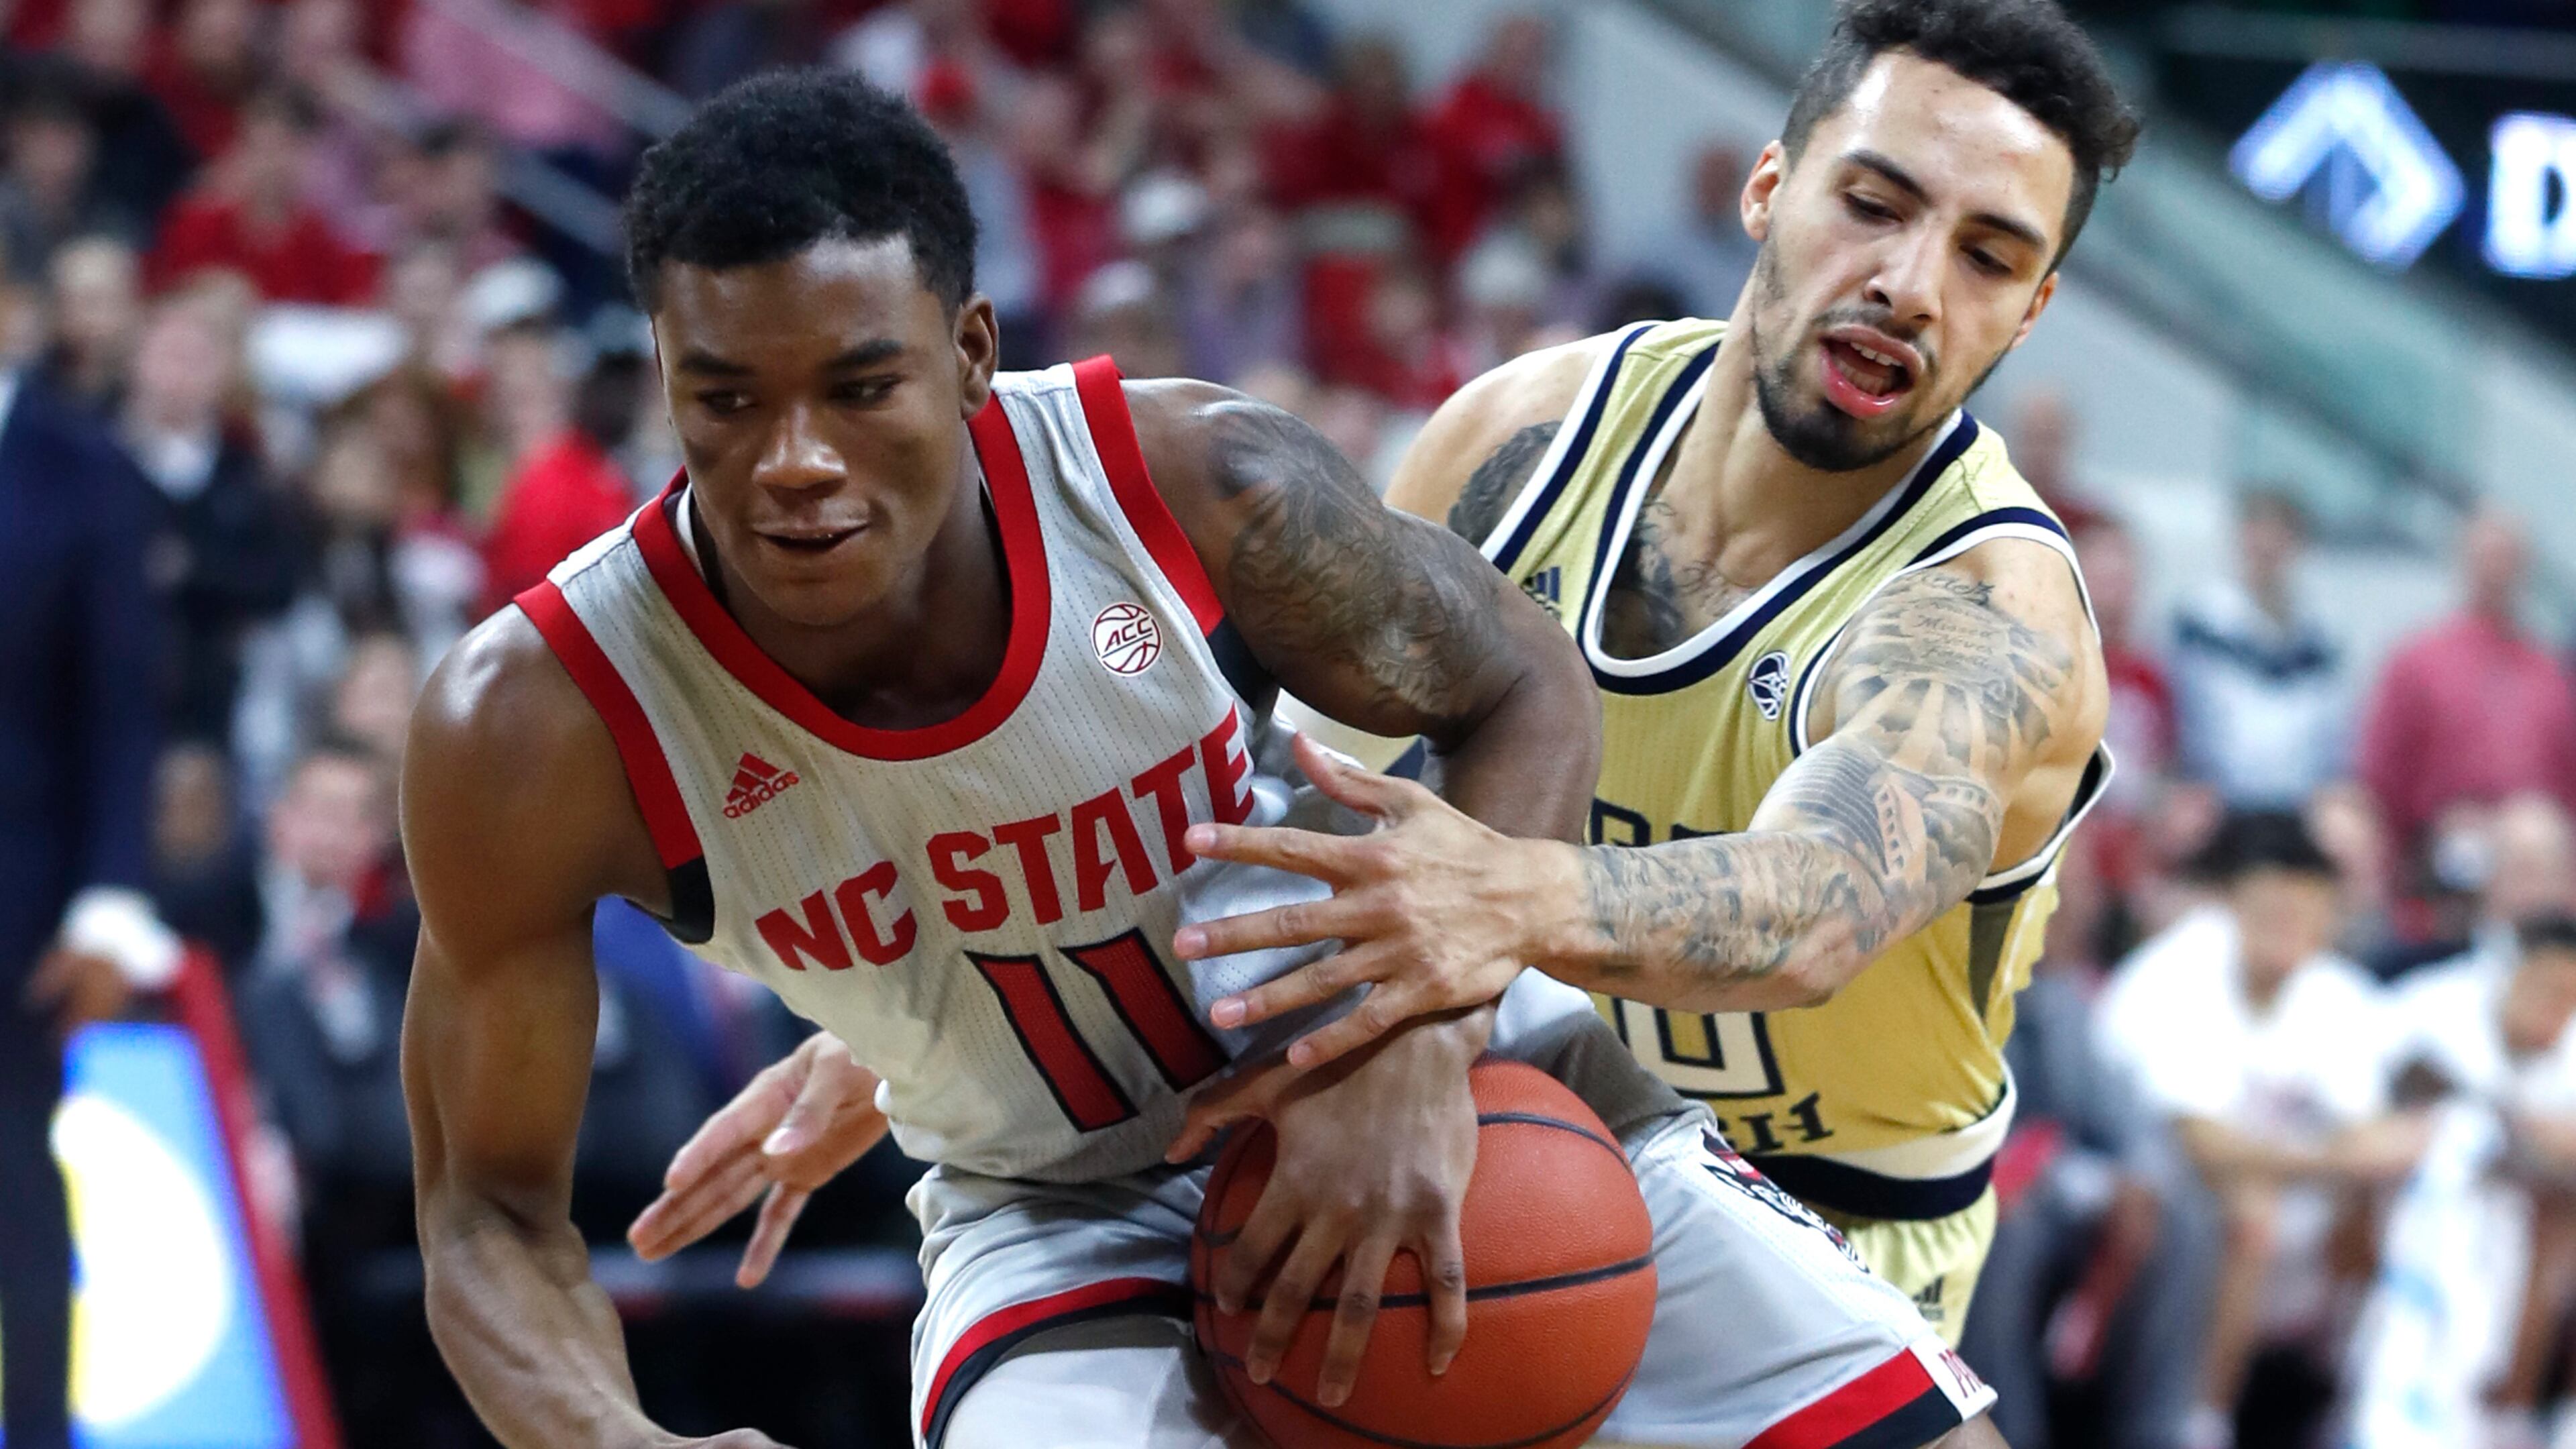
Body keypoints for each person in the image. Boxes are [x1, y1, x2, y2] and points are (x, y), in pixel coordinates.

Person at [402, 70, 2000, 1449]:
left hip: (1438, 1063)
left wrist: (1419, 1035)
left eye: (860, 386)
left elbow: (1521, 680)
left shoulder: (1185, 477)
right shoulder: (537, 721)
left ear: (967, 353)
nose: (794, 460)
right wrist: (607, 1432)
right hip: (1059, 1211)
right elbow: (482, 1205)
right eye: (724, 401)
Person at [1168, 0, 2133, 1348]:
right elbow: (1289, 786)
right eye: (1874, 203)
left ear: (2031, 313)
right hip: (1496, 1130)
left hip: (1824, 1228)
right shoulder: (1522, 436)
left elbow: (1817, 913)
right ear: (1767, 186)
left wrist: (1501, 897)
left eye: (1986, 258)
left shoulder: (1991, 608)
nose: (1911, 284)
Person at [0, 227, 178, 1449]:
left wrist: (110, 900)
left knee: (15, 1188)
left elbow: (124, 710)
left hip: (17, 908)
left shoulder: (83, 469)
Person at [2094, 812, 2418, 1449]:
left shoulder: (2336, 993)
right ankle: (2195, 1424)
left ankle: (2367, 1413)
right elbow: (2202, 1146)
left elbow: (2377, 1141)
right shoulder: (2176, 972)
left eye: (2305, 913)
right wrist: (2335, 1162)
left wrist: (2352, 1169)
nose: (2288, 928)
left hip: (2287, 1223)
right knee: (2250, 1205)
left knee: (2391, 1203)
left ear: (2332, 916)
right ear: (2232, 902)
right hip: (2143, 1212)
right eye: (2271, 910)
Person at [2357, 506, 2576, 873]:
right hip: (2444, 844)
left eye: (2506, 559)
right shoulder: (2417, 662)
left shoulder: (2550, 671)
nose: (2496, 571)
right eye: (2485, 558)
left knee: (2534, 836)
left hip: (2536, 847)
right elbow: (2385, 775)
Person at [2169, 489, 2346, 810]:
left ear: (2298, 545)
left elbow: (2329, 736)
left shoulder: (2319, 637)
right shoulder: (2202, 620)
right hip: (2217, 797)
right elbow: (2187, 719)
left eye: (2280, 536)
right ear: (2241, 538)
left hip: (2301, 801)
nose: (2268, 547)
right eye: (2258, 533)